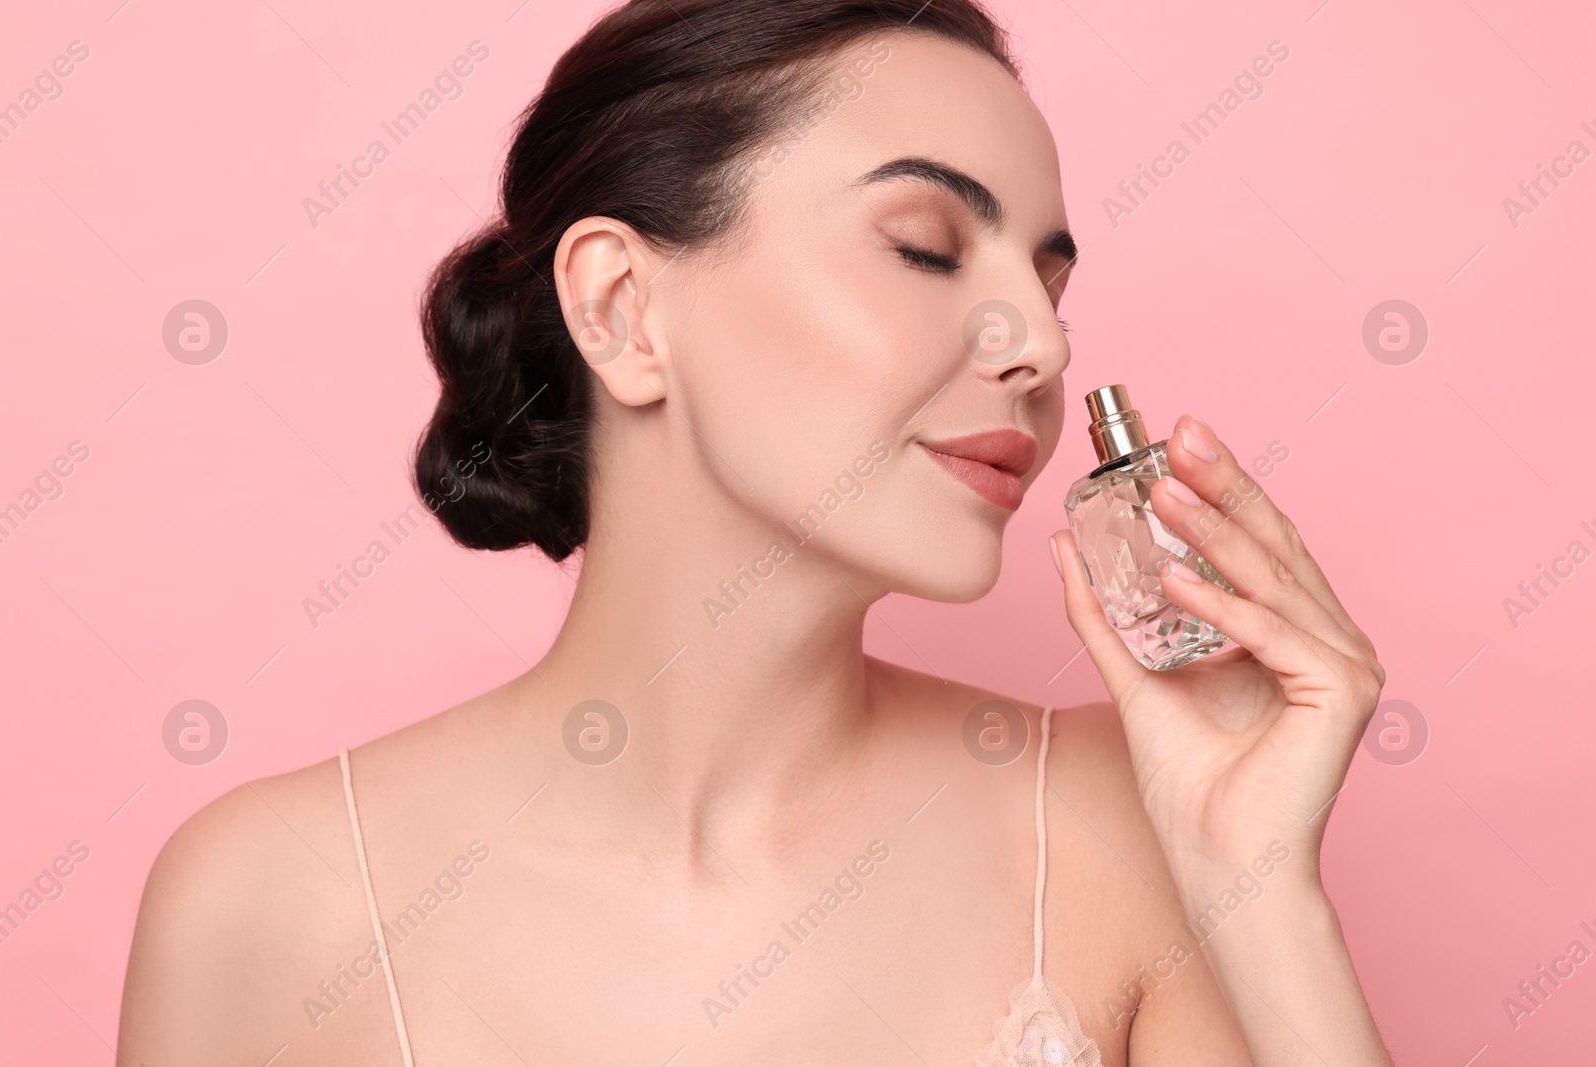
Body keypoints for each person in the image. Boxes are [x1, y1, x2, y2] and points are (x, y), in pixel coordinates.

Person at [119, 1, 1393, 1063]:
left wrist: (1260, 894)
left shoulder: (1121, 830)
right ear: (621, 307)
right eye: (926, 247)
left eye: (1050, 283)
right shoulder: (265, 899)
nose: (1043, 345)